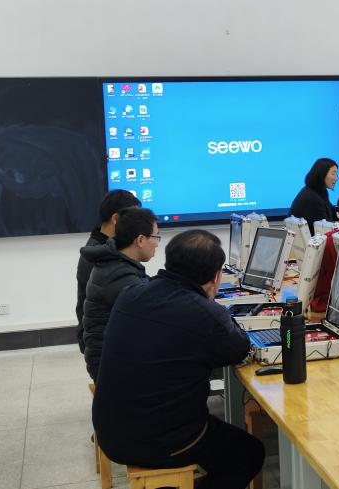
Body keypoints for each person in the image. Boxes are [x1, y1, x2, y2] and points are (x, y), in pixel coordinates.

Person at [92, 230, 264, 488]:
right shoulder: (204, 314)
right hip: (160, 441)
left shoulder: (131, 293)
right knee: (248, 453)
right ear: (216, 276)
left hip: (109, 432)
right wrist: (213, 306)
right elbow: (239, 348)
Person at [81, 207, 159, 382]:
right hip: (111, 367)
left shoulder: (119, 263)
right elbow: (153, 316)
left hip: (110, 358)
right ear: (140, 240)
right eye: (156, 237)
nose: (157, 244)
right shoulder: (120, 274)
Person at [75, 189, 140, 354]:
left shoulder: (107, 249)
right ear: (116, 219)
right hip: (100, 342)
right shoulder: (99, 255)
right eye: (134, 219)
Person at [289, 158, 339, 234]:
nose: (336, 178)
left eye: (336, 174)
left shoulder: (320, 191)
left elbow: (332, 211)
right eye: (333, 174)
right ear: (322, 174)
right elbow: (326, 231)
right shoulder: (311, 198)